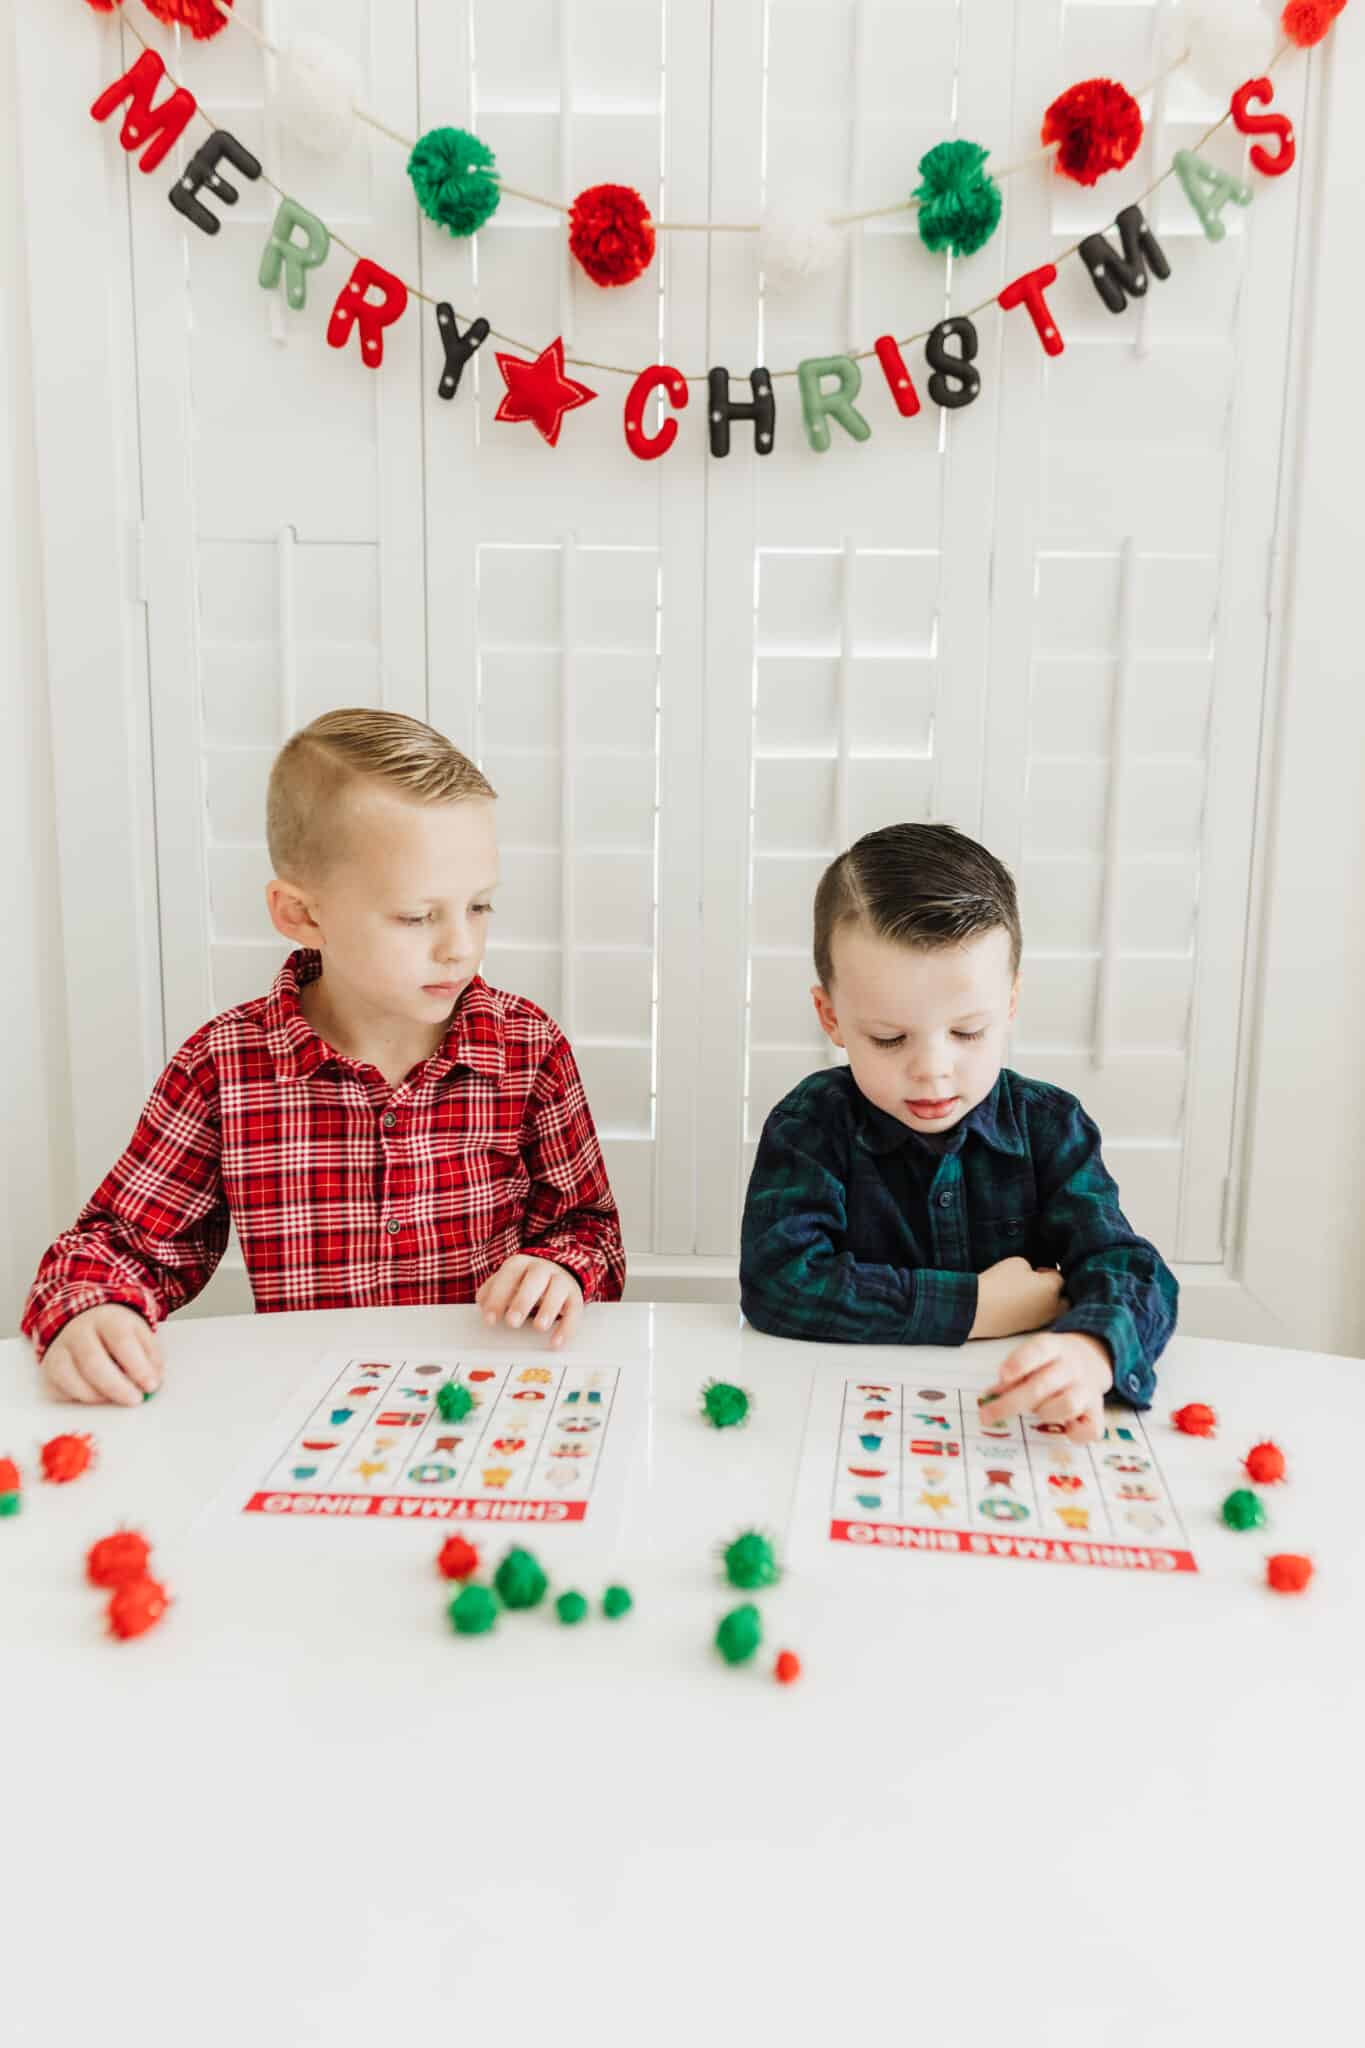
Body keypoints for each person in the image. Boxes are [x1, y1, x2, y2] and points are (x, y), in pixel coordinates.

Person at [24, 709, 626, 1405]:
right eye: (415, 915)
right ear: (301, 915)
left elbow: (589, 1231)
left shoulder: (528, 1049)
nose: (459, 945)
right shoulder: (223, 1066)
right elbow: (119, 1247)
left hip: (494, 1402)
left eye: (480, 906)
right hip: (313, 1416)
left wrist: (561, 1269)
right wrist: (91, 1307)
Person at [739, 821, 1177, 1440]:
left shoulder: (1050, 1128)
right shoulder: (811, 1126)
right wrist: (977, 1306)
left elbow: (1129, 1267)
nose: (932, 1068)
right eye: (889, 1038)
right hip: (847, 1418)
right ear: (831, 1017)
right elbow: (778, 1282)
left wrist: (1091, 1350)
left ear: (1012, 1003)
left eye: (968, 1032)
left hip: (1003, 1418)